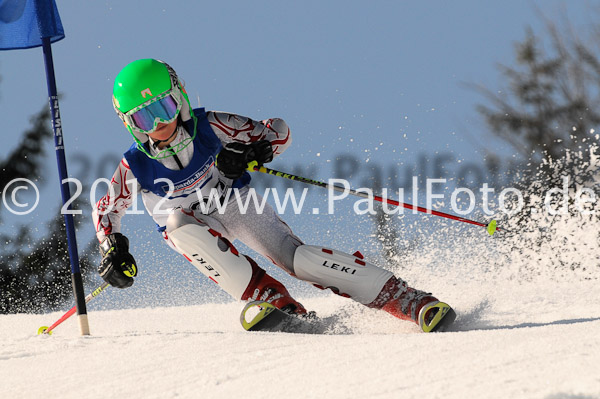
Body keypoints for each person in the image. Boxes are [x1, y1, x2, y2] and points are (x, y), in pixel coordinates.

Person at [92, 58, 454, 332]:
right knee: (178, 226)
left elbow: (277, 131)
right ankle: (269, 298)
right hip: (194, 227)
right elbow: (106, 211)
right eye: (144, 120)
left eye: (163, 109)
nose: (159, 126)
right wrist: (114, 249)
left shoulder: (211, 125)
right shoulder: (135, 165)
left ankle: (405, 299)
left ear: (180, 99)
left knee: (299, 258)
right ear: (130, 125)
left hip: (236, 204)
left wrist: (252, 152)